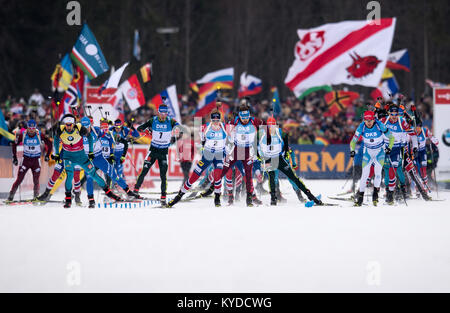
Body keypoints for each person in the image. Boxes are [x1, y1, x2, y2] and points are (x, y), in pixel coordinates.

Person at [52, 114, 122, 208]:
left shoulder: (86, 130)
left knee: (92, 175)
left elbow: (94, 137)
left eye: (70, 124)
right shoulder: (64, 130)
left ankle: (108, 194)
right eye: (67, 125)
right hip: (70, 157)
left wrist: (91, 152)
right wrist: (57, 154)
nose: (69, 127)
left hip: (84, 157)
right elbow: (59, 142)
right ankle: (70, 197)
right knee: (72, 176)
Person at [258, 116, 323, 206]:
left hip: (280, 159)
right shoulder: (262, 133)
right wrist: (261, 159)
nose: (271, 129)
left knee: (293, 179)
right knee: (273, 179)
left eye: (273, 126)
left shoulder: (280, 132)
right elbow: (256, 146)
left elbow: (289, 149)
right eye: (269, 127)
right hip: (269, 159)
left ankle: (309, 196)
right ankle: (274, 198)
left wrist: (293, 162)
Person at [168, 108, 226, 207]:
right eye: (213, 120)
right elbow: (202, 141)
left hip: (219, 155)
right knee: (194, 177)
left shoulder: (225, 127)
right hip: (207, 155)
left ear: (220, 120)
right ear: (211, 120)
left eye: (217, 120)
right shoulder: (205, 127)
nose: (216, 122)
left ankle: (217, 197)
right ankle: (179, 195)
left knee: (217, 176)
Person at [81, 117, 141, 208]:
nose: (86, 130)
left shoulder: (96, 130)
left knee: (114, 174)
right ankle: (91, 200)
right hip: (88, 159)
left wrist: (117, 138)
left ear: (90, 125)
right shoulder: (78, 133)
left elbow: (108, 136)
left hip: (99, 157)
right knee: (89, 178)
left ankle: (128, 192)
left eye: (87, 127)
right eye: (84, 127)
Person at [134, 101, 182, 206]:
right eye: (161, 113)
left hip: (163, 152)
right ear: (158, 113)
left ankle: (163, 196)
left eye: (165, 113)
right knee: (144, 171)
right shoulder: (153, 120)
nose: (163, 116)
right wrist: (146, 131)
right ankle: (135, 191)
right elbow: (139, 128)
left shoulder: (170, 121)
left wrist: (176, 132)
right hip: (153, 150)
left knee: (163, 175)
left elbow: (179, 128)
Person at [350, 111, 394, 206]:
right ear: (364, 120)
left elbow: (391, 138)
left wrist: (389, 148)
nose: (368, 122)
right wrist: (352, 150)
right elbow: (353, 141)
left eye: (370, 120)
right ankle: (360, 199)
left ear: (374, 119)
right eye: (366, 120)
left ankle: (375, 195)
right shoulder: (362, 126)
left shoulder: (379, 125)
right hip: (368, 153)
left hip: (379, 152)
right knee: (364, 175)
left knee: (378, 174)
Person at [381, 104, 418, 204]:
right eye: (392, 114)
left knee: (396, 169)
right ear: (389, 113)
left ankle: (401, 189)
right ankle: (389, 191)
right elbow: (375, 130)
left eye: (396, 114)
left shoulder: (402, 122)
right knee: (387, 170)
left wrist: (415, 147)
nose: (394, 116)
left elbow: (413, 133)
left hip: (398, 149)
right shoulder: (384, 121)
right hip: (385, 149)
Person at [7, 120, 52, 201]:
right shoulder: (23, 134)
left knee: (36, 180)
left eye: (33, 128)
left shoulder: (39, 134)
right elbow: (14, 144)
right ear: (27, 128)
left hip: (36, 161)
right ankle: (11, 196)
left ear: (35, 128)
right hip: (26, 160)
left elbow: (49, 143)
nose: (31, 130)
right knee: (19, 179)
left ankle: (36, 197)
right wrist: (15, 158)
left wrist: (47, 155)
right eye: (29, 128)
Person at [109, 118, 141, 183]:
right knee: (112, 170)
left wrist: (133, 128)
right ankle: (113, 185)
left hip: (121, 153)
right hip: (112, 152)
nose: (118, 129)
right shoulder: (111, 130)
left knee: (119, 170)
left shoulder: (125, 130)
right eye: (116, 128)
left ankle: (121, 185)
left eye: (119, 127)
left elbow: (137, 136)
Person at [413, 117, 439, 197]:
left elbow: (433, 138)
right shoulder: (412, 132)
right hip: (415, 153)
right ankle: (417, 188)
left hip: (422, 152)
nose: (417, 129)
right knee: (416, 171)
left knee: (423, 171)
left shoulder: (425, 131)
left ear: (420, 127)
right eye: (415, 128)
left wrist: (434, 140)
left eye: (418, 128)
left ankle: (425, 187)